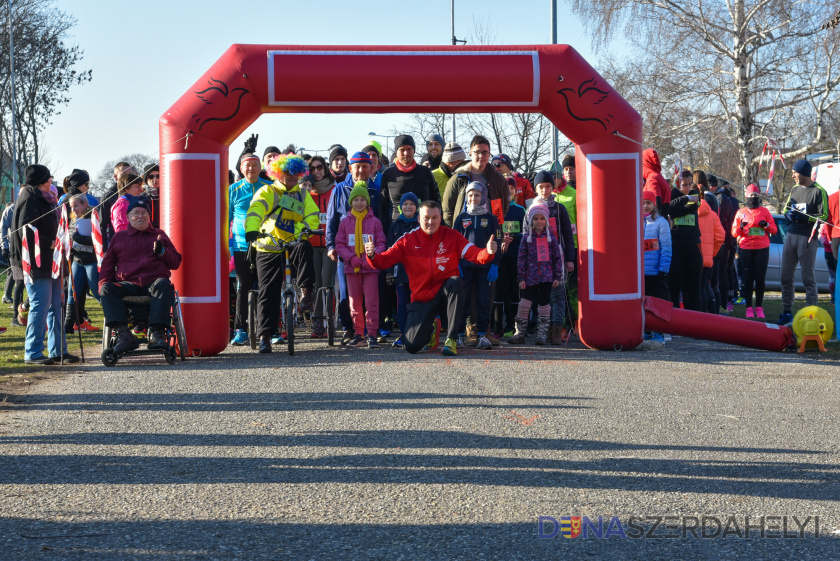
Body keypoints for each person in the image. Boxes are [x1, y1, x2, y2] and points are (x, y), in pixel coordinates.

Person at [364, 201, 497, 357]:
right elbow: (383, 261)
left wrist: (488, 252)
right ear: (419, 218)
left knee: (456, 281)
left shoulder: (452, 236)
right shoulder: (407, 240)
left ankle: (451, 340)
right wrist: (372, 255)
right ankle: (433, 326)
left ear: (440, 218)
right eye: (427, 218)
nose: (430, 222)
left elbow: (475, 254)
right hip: (422, 298)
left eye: (434, 217)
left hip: (445, 295)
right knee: (411, 346)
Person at [244, 154, 318, 353]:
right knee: (268, 291)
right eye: (287, 172)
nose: (292, 176)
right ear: (277, 173)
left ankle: (306, 292)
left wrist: (300, 229)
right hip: (269, 244)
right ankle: (265, 335)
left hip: (293, 243)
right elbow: (256, 209)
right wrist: (251, 228)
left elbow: (312, 218)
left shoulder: (303, 194)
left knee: (305, 248)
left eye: (296, 172)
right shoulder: (267, 191)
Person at [10, 165, 78, 365]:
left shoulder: (44, 198)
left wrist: (62, 241)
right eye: (49, 179)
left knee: (56, 305)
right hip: (36, 260)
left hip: (52, 260)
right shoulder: (31, 199)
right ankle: (32, 352)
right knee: (40, 305)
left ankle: (58, 350)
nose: (51, 182)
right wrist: (52, 243)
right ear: (41, 180)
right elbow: (27, 231)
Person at [99, 196, 182, 353]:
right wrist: (102, 286)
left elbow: (175, 263)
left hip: (153, 283)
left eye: (144, 213)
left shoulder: (159, 234)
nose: (140, 216)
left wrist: (162, 252)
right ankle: (124, 335)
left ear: (149, 217)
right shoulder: (119, 237)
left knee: (164, 283)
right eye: (136, 213)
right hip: (128, 284)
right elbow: (107, 267)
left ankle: (157, 333)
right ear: (128, 217)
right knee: (106, 288)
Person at [327, 151, 380, 344]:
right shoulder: (340, 189)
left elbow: (381, 222)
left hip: (371, 256)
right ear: (350, 168)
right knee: (346, 294)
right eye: (357, 166)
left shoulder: (376, 189)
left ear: (371, 168)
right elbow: (332, 220)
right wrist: (331, 245)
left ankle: (373, 332)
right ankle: (351, 330)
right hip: (346, 254)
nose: (361, 170)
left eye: (365, 166)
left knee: (372, 295)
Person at [335, 182, 387, 348]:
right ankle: (359, 334)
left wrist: (370, 257)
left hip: (370, 268)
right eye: (356, 199)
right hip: (352, 268)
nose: (359, 203)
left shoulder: (375, 222)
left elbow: (381, 242)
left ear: (367, 202)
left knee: (372, 302)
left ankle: (371, 334)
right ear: (351, 202)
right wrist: (351, 258)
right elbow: (339, 244)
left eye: (362, 200)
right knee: (354, 302)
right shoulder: (345, 222)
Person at [779, 159, 829, 324]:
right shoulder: (794, 189)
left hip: (808, 239)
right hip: (791, 236)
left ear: (804, 173)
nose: (793, 175)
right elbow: (786, 208)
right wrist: (789, 215)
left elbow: (824, 217)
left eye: (795, 172)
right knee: (785, 276)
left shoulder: (819, 191)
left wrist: (807, 218)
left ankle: (810, 316)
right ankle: (787, 312)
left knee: (808, 278)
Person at [228, 154, 271, 346]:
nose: (251, 169)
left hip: (265, 244)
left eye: (255, 165)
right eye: (247, 166)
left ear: (260, 167)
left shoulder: (268, 187)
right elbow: (226, 217)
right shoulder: (233, 189)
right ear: (241, 169)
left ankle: (269, 329)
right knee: (242, 287)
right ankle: (240, 329)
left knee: (266, 286)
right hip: (240, 245)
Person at [453, 182, 500, 350]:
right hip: (465, 266)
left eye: (477, 195)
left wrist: (495, 264)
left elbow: (497, 242)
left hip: (485, 267)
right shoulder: (461, 218)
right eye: (471, 195)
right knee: (463, 301)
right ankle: (458, 334)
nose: (474, 198)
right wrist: (456, 265)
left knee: (484, 300)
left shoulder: (491, 218)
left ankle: (482, 335)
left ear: (483, 197)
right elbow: (454, 243)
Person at [508, 203, 564, 345]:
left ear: (546, 220)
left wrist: (557, 276)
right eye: (536, 219)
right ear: (531, 221)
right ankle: (519, 333)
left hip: (546, 277)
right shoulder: (527, 238)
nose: (539, 221)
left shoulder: (551, 238)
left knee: (544, 304)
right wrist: (521, 278)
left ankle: (542, 335)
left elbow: (557, 258)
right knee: (524, 304)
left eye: (542, 218)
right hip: (529, 277)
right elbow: (521, 259)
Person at [531, 171, 575, 344]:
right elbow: (526, 234)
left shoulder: (559, 208)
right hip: (537, 261)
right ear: (535, 189)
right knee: (542, 296)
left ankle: (557, 329)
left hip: (557, 258)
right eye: (541, 187)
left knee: (558, 295)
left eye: (548, 186)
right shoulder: (531, 208)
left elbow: (568, 235)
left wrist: (570, 259)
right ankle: (544, 329)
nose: (545, 190)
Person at [442, 135, 509, 228]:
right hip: (463, 234)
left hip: (490, 232)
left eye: (485, 152)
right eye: (477, 152)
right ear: (470, 153)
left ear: (489, 154)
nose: (481, 156)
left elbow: (504, 207)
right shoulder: (458, 178)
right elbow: (447, 210)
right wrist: (453, 232)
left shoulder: (498, 179)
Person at [732, 184, 777, 319]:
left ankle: (759, 307)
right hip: (746, 248)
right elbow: (733, 232)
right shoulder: (741, 212)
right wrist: (740, 227)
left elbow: (774, 229)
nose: (753, 198)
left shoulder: (765, 211)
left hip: (762, 248)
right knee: (747, 278)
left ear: (759, 196)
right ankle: (749, 308)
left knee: (760, 278)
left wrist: (766, 225)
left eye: (755, 195)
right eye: (751, 195)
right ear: (746, 196)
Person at [379, 135, 440, 232]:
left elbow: (435, 200)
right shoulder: (388, 174)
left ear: (414, 150)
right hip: (396, 230)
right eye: (402, 150)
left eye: (409, 149)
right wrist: (383, 231)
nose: (406, 153)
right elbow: (382, 205)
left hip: (423, 228)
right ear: (396, 152)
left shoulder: (425, 172)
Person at [305, 155, 336, 339]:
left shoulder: (334, 190)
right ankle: (318, 324)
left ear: (325, 169)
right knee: (316, 284)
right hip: (311, 243)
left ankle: (330, 322)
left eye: (320, 168)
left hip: (328, 244)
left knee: (327, 284)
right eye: (313, 168)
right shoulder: (306, 191)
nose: (317, 171)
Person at [491, 177, 526, 339]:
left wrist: (511, 238)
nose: (509, 191)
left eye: (512, 188)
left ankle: (512, 325)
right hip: (498, 256)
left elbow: (525, 233)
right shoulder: (495, 208)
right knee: (497, 290)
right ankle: (497, 326)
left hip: (514, 255)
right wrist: (501, 239)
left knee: (513, 290)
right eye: (506, 188)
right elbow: (493, 230)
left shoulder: (520, 210)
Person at [63, 194, 101, 334]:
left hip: (91, 261)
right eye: (72, 207)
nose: (73, 209)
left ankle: (115, 318)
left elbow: (97, 239)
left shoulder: (94, 216)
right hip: (77, 260)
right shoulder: (73, 218)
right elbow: (71, 236)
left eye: (76, 206)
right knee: (73, 292)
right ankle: (68, 325)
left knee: (97, 291)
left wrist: (79, 238)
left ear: (84, 205)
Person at [387, 193, 421, 348]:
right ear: (400, 206)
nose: (408, 207)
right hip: (400, 272)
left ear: (417, 206)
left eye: (412, 204)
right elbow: (388, 250)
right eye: (405, 204)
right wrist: (388, 271)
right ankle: (403, 334)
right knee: (402, 304)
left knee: (417, 304)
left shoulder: (422, 225)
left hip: (418, 273)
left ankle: (418, 334)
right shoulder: (395, 226)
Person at [668, 170, 703, 311]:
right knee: (674, 287)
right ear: (677, 183)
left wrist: (681, 205)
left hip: (693, 244)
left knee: (693, 287)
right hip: (676, 245)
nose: (687, 188)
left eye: (689, 184)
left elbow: (693, 206)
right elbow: (670, 209)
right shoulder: (672, 195)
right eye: (684, 184)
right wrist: (684, 199)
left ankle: (696, 321)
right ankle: (675, 323)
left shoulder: (694, 194)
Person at [697, 182, 725, 314]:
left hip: (693, 257)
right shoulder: (713, 215)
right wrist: (711, 254)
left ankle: (697, 319)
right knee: (706, 286)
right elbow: (720, 236)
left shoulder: (690, 213)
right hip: (708, 258)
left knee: (695, 289)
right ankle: (710, 317)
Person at [642, 190, 672, 301]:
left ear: (654, 204)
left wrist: (663, 271)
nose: (645, 206)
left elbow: (666, 249)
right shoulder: (636, 222)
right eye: (643, 202)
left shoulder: (661, 223)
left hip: (656, 274)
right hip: (641, 276)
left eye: (648, 203)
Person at [100, 162, 133, 250]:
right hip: (115, 242)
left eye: (130, 174)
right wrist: (104, 249)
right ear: (115, 177)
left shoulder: (136, 193)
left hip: (134, 241)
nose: (128, 177)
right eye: (124, 174)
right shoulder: (108, 196)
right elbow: (102, 225)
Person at [642, 148, 671, 217]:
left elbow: (656, 203)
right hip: (663, 219)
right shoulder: (659, 177)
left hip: (655, 222)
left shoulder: (652, 179)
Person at [142, 164, 161, 228]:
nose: (155, 179)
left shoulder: (168, 196)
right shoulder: (141, 198)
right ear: (146, 179)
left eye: (158, 176)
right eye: (151, 177)